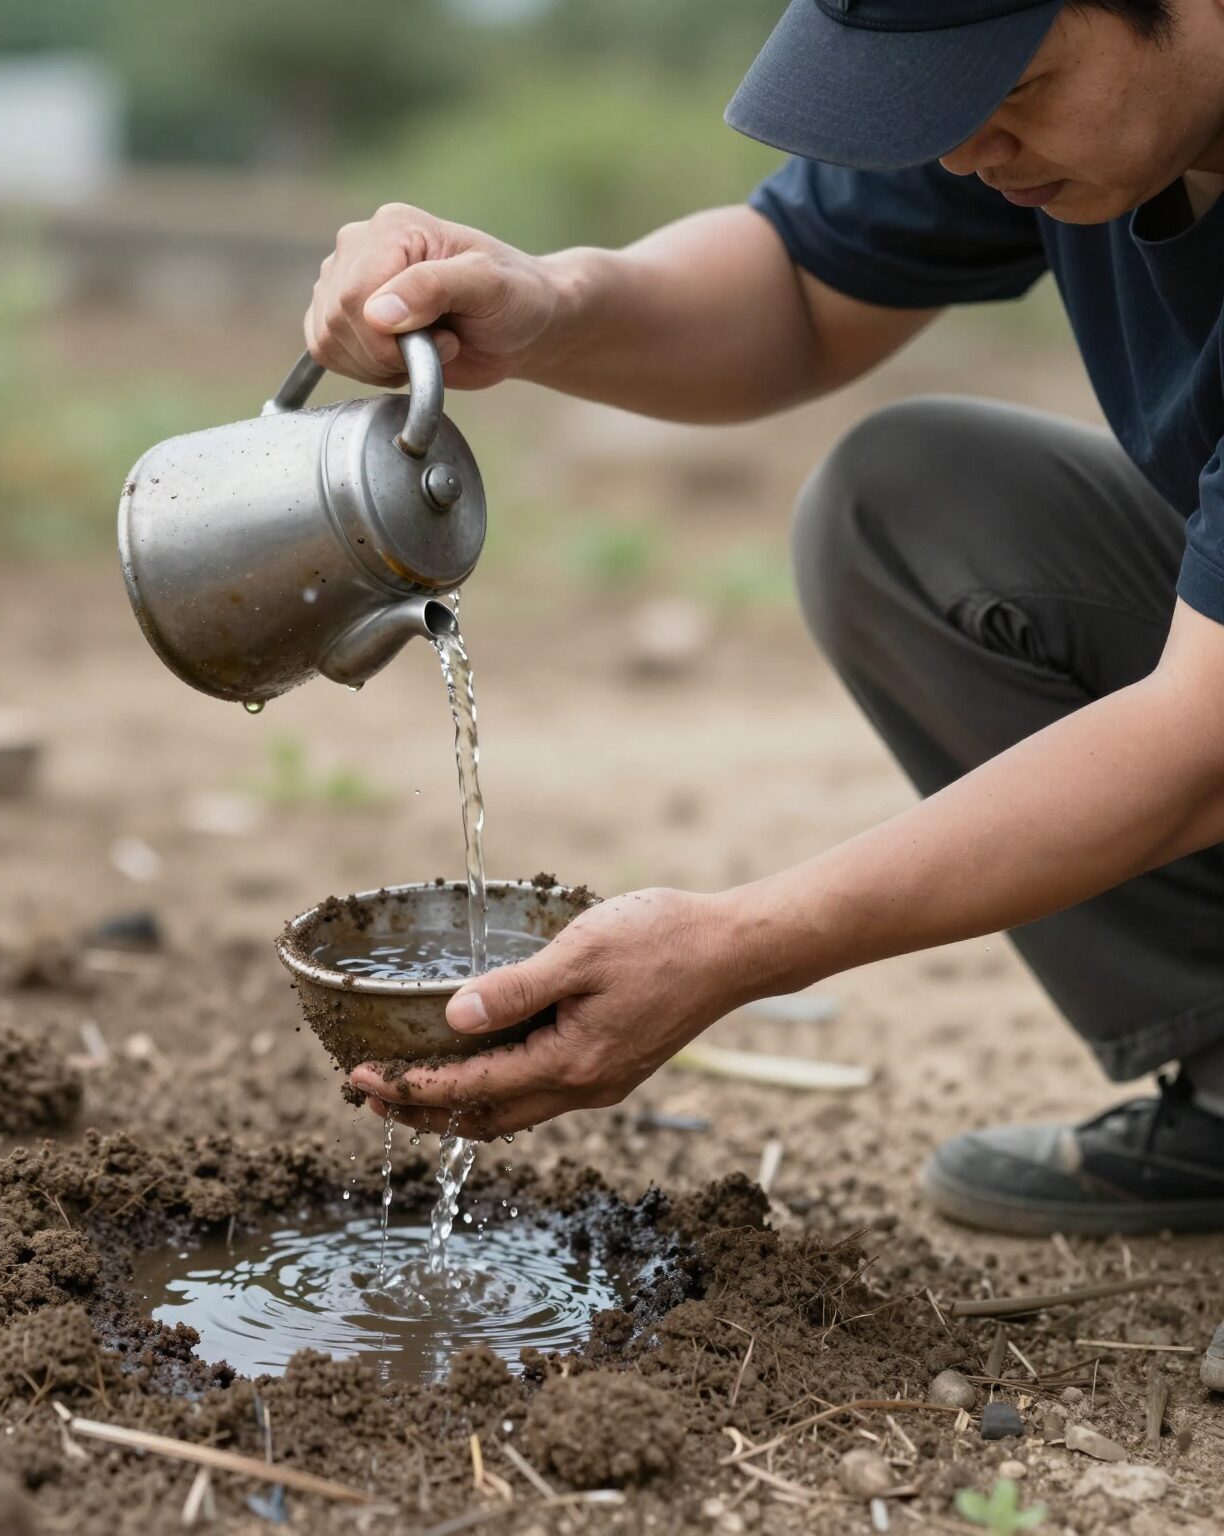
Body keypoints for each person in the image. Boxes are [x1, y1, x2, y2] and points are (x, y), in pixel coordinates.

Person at [305, 0, 1224, 1389]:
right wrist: (545, 304)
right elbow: (799, 287)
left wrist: (737, 946)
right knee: (909, 513)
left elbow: (1202, 740)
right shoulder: (1040, 109)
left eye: (1017, 87)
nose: (972, 148)